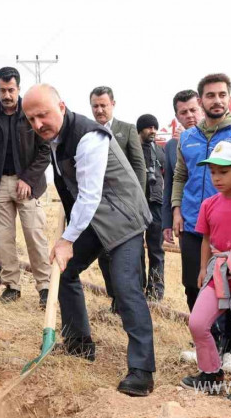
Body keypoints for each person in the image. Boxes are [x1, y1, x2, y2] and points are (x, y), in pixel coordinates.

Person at [25, 84, 156, 397]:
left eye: (42, 115)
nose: (37, 124)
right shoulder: (52, 139)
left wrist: (68, 239)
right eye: (30, 119)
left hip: (123, 216)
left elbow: (90, 193)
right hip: (94, 218)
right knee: (67, 272)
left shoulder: (89, 136)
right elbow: (70, 187)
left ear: (62, 106)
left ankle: (142, 370)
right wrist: (69, 235)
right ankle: (79, 346)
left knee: (125, 287)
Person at [171, 74, 231, 313]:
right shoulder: (187, 137)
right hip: (193, 222)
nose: (217, 100)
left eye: (222, 95)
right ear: (201, 100)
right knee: (194, 284)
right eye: (211, 95)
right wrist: (176, 210)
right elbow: (181, 176)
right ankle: (203, 340)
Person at [179, 142, 231, 403]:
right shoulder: (209, 204)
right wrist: (204, 268)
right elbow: (206, 239)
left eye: (223, 172)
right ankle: (211, 373)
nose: (216, 178)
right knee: (198, 322)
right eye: (213, 172)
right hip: (219, 270)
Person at [0, 67, 51, 307]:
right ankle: (11, 286)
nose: (7, 95)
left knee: (35, 234)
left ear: (19, 89)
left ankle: (44, 287)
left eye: (11, 90)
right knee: (3, 237)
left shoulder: (31, 113)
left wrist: (28, 179)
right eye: (2, 90)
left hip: (28, 184)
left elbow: (45, 152)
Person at [89, 86, 146, 310]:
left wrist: (136, 201)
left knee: (133, 254)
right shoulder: (89, 131)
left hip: (129, 206)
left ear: (113, 104)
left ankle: (136, 296)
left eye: (104, 105)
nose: (100, 110)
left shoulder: (127, 129)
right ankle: (115, 297)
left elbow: (139, 167)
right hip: (103, 207)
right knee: (105, 254)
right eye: (95, 106)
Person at [163, 89, 203, 245]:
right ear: (177, 116)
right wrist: (167, 220)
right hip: (187, 217)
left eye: (193, 110)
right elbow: (170, 183)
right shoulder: (172, 145)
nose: (190, 115)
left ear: (201, 108)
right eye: (184, 112)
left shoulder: (217, 138)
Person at [136, 114, 165, 300]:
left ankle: (155, 291)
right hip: (137, 204)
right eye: (149, 127)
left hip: (156, 203)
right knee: (136, 249)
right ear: (140, 129)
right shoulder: (133, 149)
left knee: (156, 249)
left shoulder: (160, 152)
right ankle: (137, 289)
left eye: (155, 127)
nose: (153, 131)